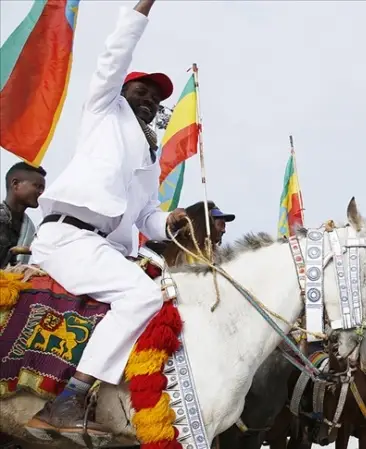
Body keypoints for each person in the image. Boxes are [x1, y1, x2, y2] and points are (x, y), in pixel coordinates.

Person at [25, 0, 187, 438]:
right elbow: (114, 55)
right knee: (143, 298)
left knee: (169, 294)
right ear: (121, 91)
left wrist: (172, 221)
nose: (149, 100)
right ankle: (70, 398)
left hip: (105, 247)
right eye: (142, 91)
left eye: (155, 98)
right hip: (68, 238)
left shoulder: (149, 155)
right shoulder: (102, 109)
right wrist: (141, 9)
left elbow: (147, 216)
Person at [0, 162, 46, 267]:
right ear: (15, 184)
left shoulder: (29, 227)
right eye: (37, 186)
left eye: (42, 188)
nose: (41, 192)